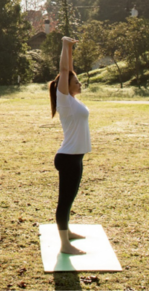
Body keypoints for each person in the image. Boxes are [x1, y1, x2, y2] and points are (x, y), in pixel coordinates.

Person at [49, 36, 90, 255]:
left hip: (75, 157)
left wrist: (71, 49)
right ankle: (65, 245)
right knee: (64, 200)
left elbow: (70, 70)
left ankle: (68, 231)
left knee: (70, 197)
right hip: (68, 158)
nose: (80, 83)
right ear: (66, 86)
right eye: (77, 82)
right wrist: (65, 45)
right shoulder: (63, 99)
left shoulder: (72, 100)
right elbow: (65, 70)